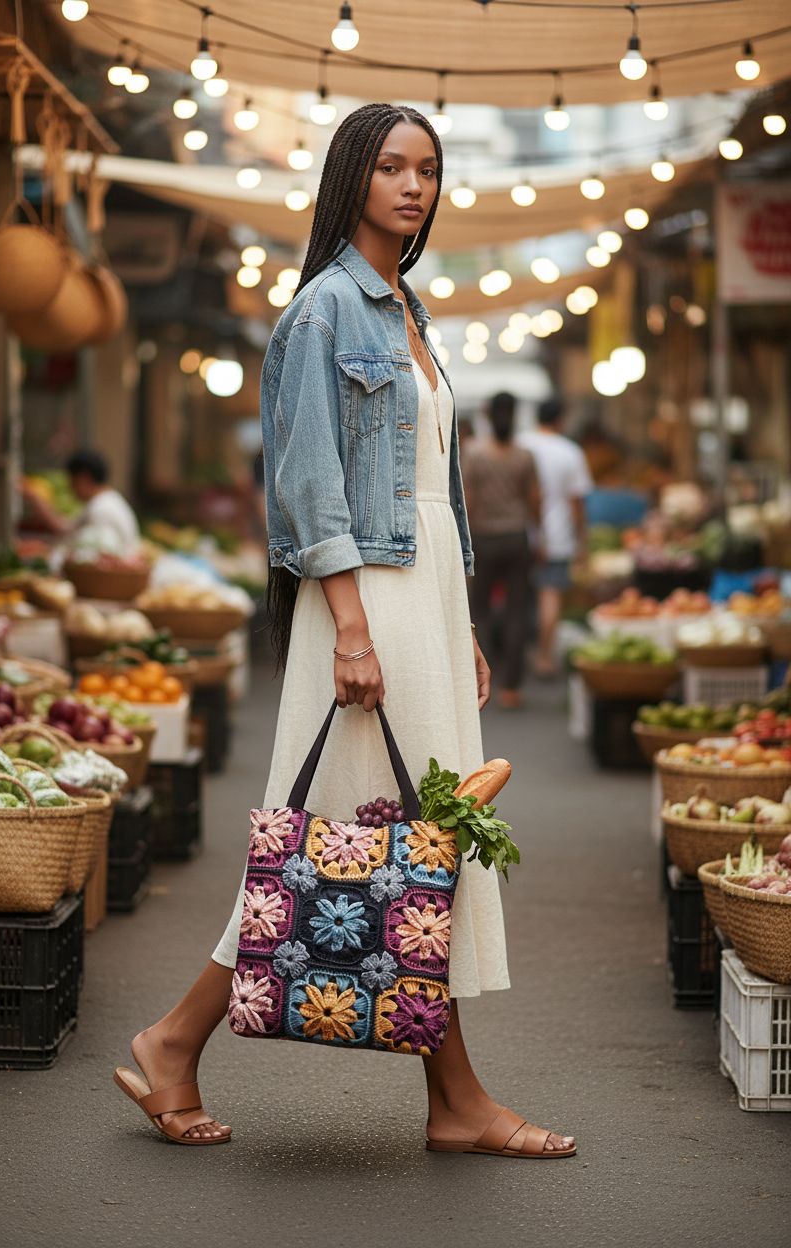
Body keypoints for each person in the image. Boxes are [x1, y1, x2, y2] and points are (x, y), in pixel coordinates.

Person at [114, 103, 575, 1160]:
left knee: (397, 844)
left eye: (427, 169)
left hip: (420, 599)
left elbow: (428, 487)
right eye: (391, 167)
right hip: (362, 604)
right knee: (361, 836)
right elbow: (311, 489)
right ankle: (188, 1042)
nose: (412, 187)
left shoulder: (405, 309)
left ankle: (198, 1047)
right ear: (351, 178)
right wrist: (355, 630)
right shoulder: (325, 311)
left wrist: (455, 620)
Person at [462, 392, 540, 709]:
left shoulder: (475, 455)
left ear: (488, 417)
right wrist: (540, 532)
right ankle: (511, 687)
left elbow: (467, 500)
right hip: (516, 537)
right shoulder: (524, 456)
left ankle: (479, 678)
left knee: (478, 610)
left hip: (482, 538)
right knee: (516, 612)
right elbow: (535, 498)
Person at [519, 398, 593, 679]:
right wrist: (582, 540)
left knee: (517, 597)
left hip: (519, 532)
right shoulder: (570, 452)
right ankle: (544, 658)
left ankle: (502, 658)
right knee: (550, 595)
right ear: (561, 419)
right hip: (558, 534)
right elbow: (577, 503)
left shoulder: (520, 443)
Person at [22, 450, 140, 550]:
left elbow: (82, 546)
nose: (70, 488)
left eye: (72, 482)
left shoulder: (102, 509)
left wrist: (37, 502)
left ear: (84, 478)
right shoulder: (105, 501)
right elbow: (68, 529)